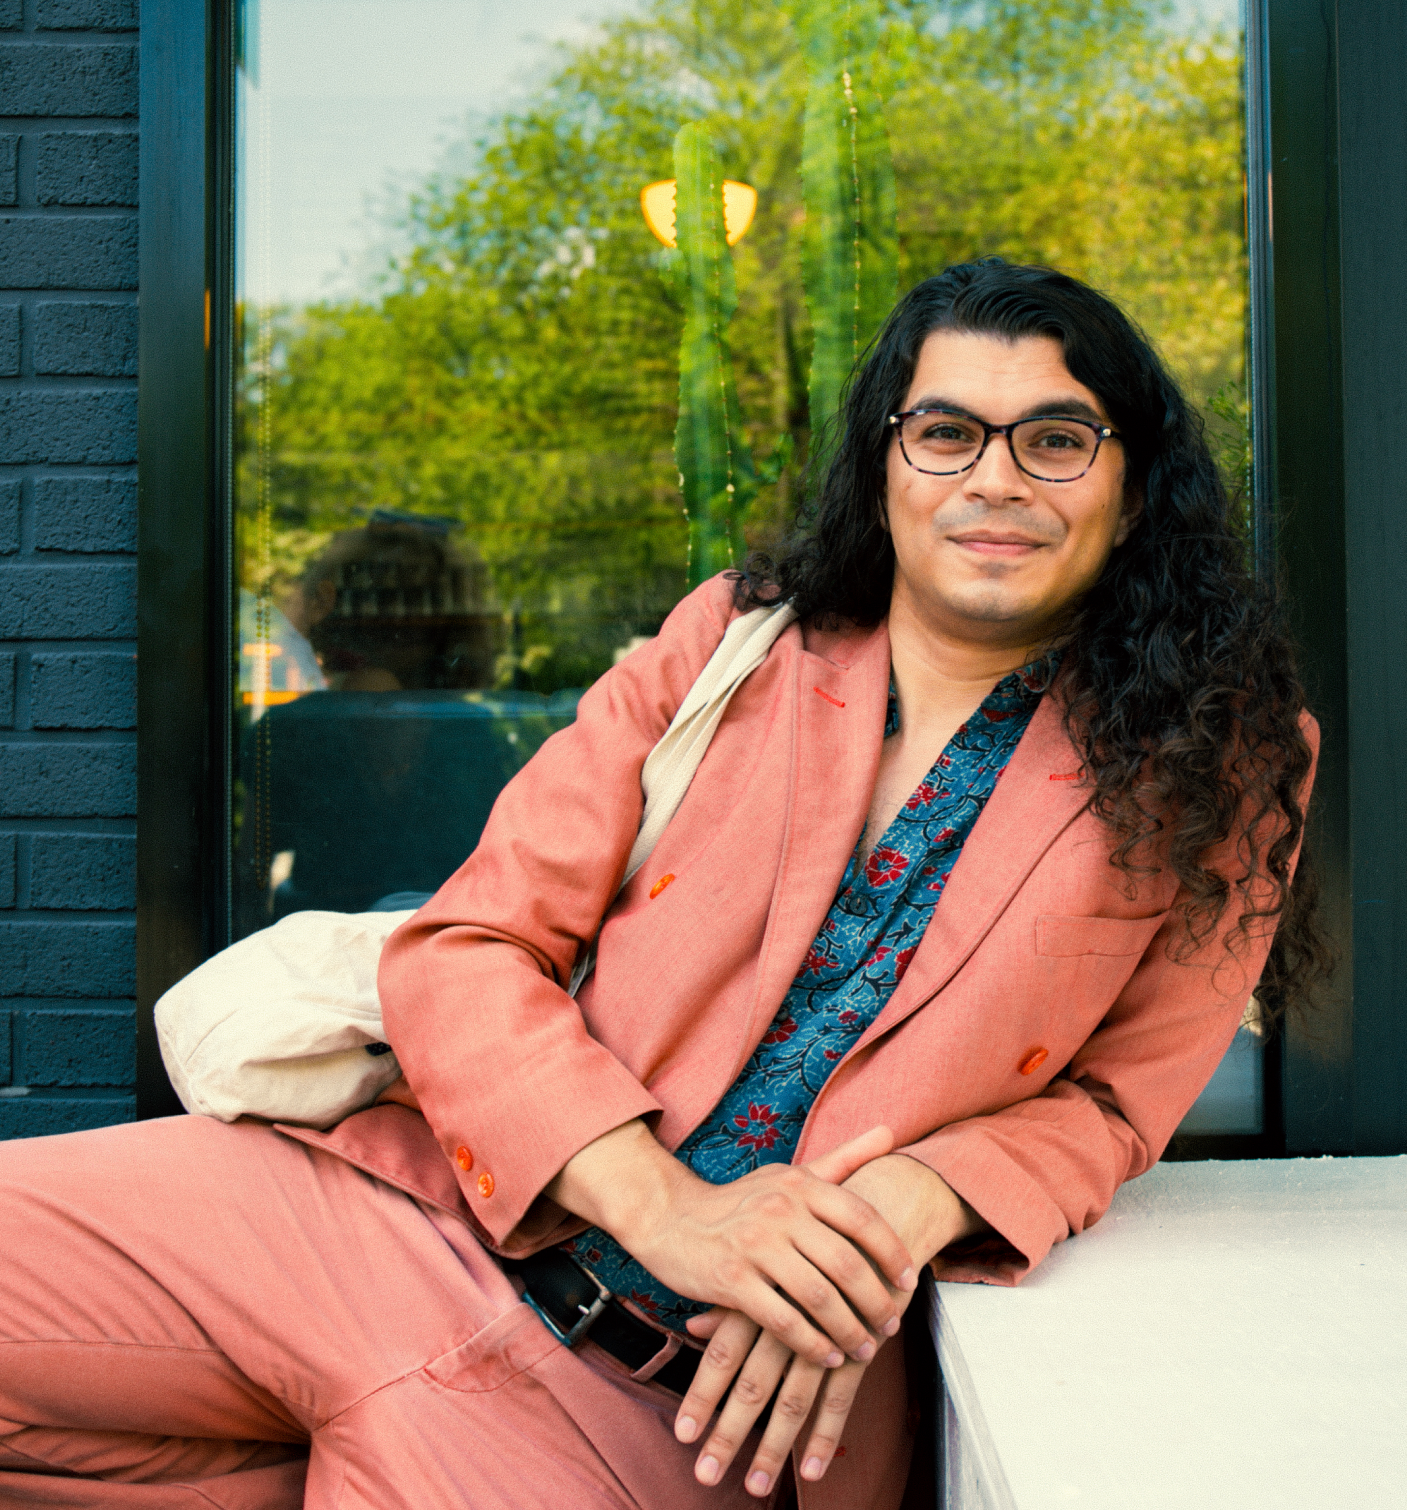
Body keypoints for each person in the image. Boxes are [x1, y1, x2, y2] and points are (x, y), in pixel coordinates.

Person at [0, 260, 1322, 1510]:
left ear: (1129, 486)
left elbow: (1112, 1102)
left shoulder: (1222, 757)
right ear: (883, 467)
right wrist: (667, 1210)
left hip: (682, 1417)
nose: (993, 476)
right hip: (409, 1219)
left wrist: (914, 1201)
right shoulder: (730, 641)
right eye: (944, 432)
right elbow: (469, 945)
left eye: (1053, 436)